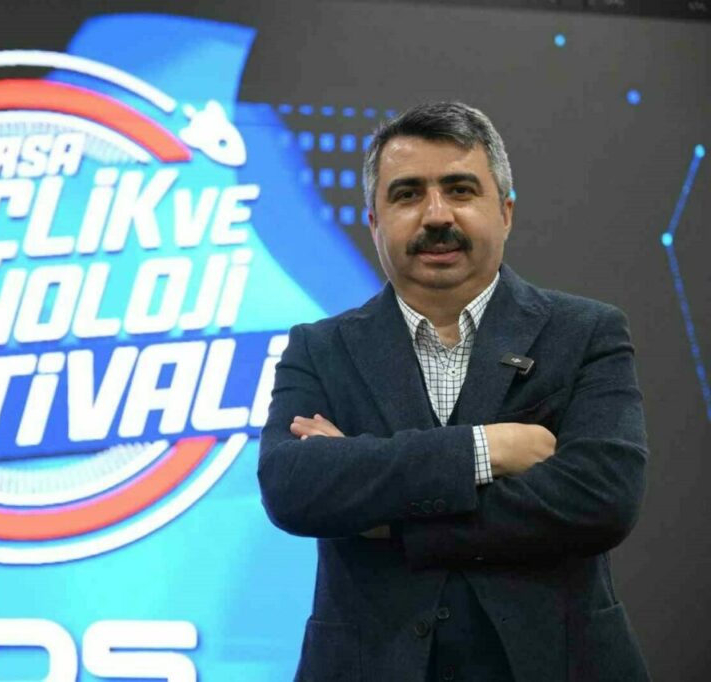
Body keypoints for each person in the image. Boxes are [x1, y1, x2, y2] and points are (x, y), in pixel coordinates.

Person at [257, 102, 650, 682]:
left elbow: (602, 497)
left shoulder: (587, 333)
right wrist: (484, 450)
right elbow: (293, 487)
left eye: (460, 190)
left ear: (506, 211)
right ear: (374, 222)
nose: (436, 215)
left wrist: (389, 518)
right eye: (408, 194)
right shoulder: (319, 348)